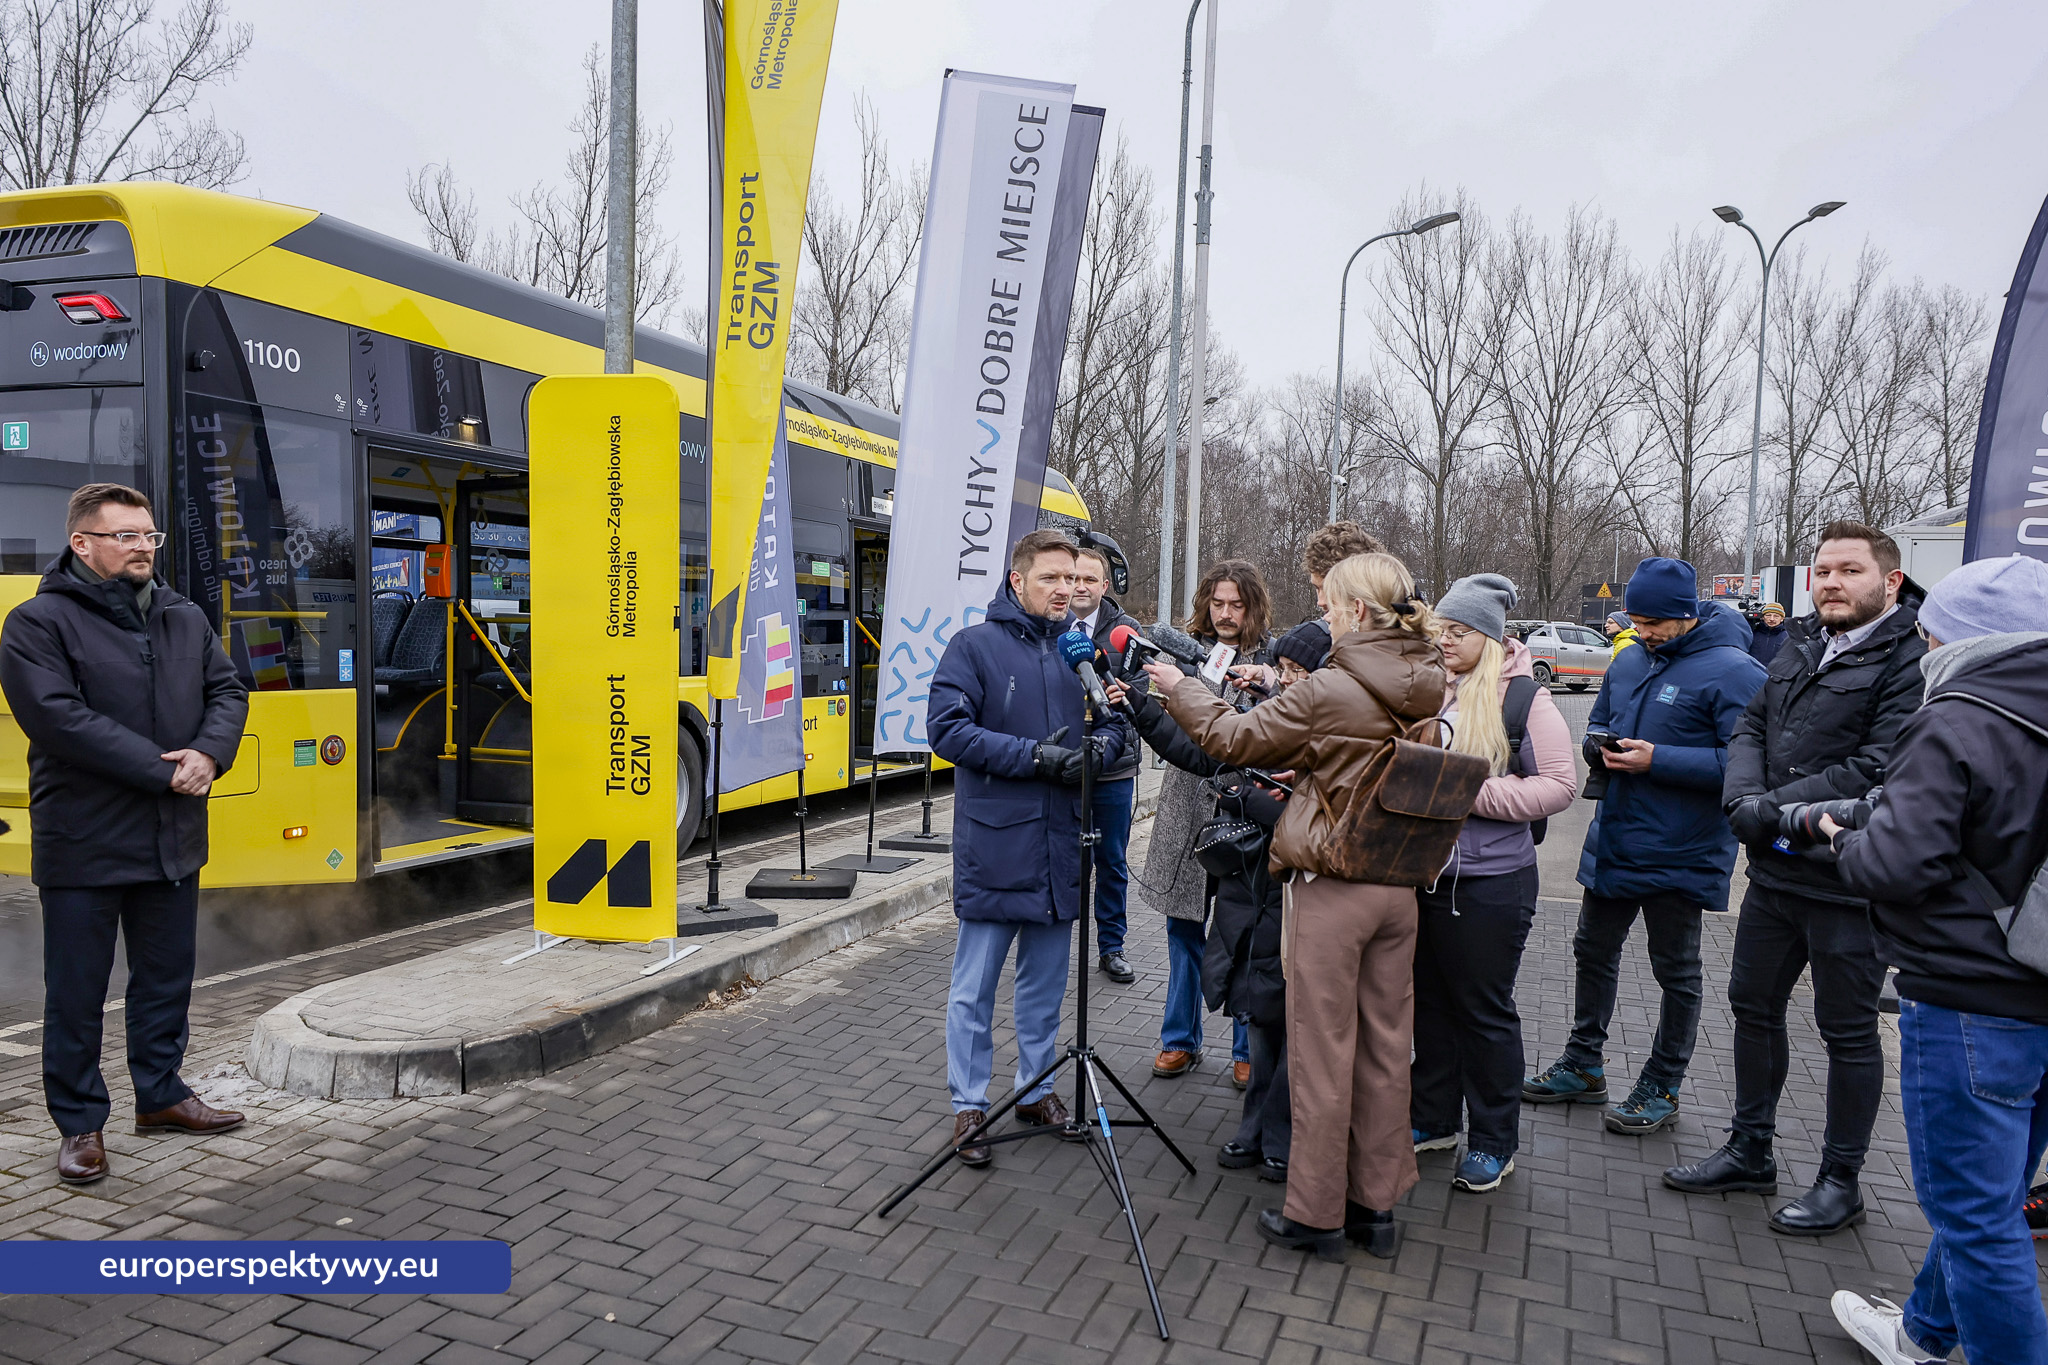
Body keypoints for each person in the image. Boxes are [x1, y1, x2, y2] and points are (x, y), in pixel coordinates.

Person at [1155, 551, 1445, 1262]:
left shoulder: (1336, 684)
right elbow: (1366, 762)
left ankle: (1314, 1214)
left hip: (1335, 887)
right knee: (1383, 1052)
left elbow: (1230, 737)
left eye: (1329, 604)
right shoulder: (1426, 678)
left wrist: (1177, 687)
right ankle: (1374, 1208)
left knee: (1320, 1051)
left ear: (1353, 611)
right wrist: (1314, 766)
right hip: (1397, 888)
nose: (1323, 615)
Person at [1664, 523, 1925, 1235]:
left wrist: (1769, 809)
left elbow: (1876, 766)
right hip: (1776, 876)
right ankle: (1751, 1148)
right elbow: (1750, 727)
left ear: (1889, 582)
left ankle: (1842, 1180)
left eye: (1850, 570)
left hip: (1848, 882)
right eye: (1823, 570)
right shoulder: (1798, 641)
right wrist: (1743, 803)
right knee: (1752, 1006)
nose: (1832, 581)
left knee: (1847, 1032)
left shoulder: (1909, 658)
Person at [1822, 554, 2048, 1365]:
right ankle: (1921, 1332)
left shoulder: (1957, 714)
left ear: (1957, 635)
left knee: (1976, 1220)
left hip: (1970, 997)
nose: (1921, 641)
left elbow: (1894, 866)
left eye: (1929, 628)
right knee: (1994, 1200)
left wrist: (1845, 838)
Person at [0, 483, 250, 1185]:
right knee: (77, 991)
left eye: (149, 536)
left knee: (165, 980)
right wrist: (162, 770)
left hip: (171, 838)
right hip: (82, 841)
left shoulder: (182, 615)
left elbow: (228, 691)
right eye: (127, 535)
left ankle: (162, 1096)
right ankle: (80, 1125)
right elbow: (56, 719)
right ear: (83, 542)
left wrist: (208, 754)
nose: (143, 546)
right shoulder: (36, 623)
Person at [1523, 556, 1766, 1135]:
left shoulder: (1737, 672)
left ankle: (1663, 1083)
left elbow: (1750, 763)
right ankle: (1584, 1066)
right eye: (1635, 618)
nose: (1643, 630)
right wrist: (1596, 746)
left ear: (1686, 614)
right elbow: (1601, 720)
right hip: (1615, 837)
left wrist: (1659, 759)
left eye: (1654, 621)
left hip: (1684, 847)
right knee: (1592, 952)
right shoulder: (1629, 657)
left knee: (1676, 971)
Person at [927, 529, 1126, 1167]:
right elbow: (946, 730)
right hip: (997, 848)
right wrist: (1036, 758)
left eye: (1073, 579)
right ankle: (969, 1106)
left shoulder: (1083, 652)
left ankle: (1036, 1089)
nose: (1066, 590)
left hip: (1062, 845)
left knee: (1045, 987)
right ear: (1019, 581)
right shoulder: (973, 647)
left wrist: (1100, 750)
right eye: (1052, 579)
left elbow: (1116, 722)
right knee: (974, 990)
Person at [1107, 620, 1324, 1186]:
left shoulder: (1326, 725)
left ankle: (1282, 1135)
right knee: (1257, 1004)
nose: (1289, 680)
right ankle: (1256, 1124)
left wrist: (1248, 796)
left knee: (1287, 1016)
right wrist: (1143, 706)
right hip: (1252, 889)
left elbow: (1316, 826)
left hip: (1296, 891)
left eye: (1301, 673)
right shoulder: (1275, 715)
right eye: (1288, 670)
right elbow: (1202, 752)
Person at [1410, 574, 1576, 1193]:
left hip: (1490, 884)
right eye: (1440, 630)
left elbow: (1559, 785)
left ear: (1488, 636)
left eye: (1457, 632)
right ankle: (1431, 1120)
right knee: (1429, 1005)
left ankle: (1493, 1140)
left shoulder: (1524, 700)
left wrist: (1465, 792)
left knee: (1483, 1012)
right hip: (1423, 877)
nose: (1445, 641)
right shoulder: (1431, 688)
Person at [1136, 558, 1271, 1081]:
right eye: (1217, 603)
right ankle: (1179, 1039)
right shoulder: (1182, 654)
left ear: (1253, 607)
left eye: (1236, 605)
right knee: (1183, 928)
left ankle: (1245, 1049)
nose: (1225, 614)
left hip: (1245, 808)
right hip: (1187, 804)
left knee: (1245, 932)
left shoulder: (1271, 661)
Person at [1068, 542, 1141, 985]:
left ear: (1105, 585)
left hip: (1114, 770)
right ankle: (1056, 944)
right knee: (1064, 858)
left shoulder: (1125, 632)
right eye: (1073, 577)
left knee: (1110, 861)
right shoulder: (1046, 626)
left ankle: (1111, 947)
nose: (1079, 586)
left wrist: (1126, 699)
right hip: (1063, 767)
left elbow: (1143, 692)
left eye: (1089, 579)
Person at [1747, 602, 1789, 667]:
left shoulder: (1787, 637)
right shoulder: (1752, 633)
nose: (1772, 619)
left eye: (1776, 616)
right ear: (1762, 617)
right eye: (1768, 615)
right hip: (1754, 672)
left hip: (1775, 674)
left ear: (1782, 619)